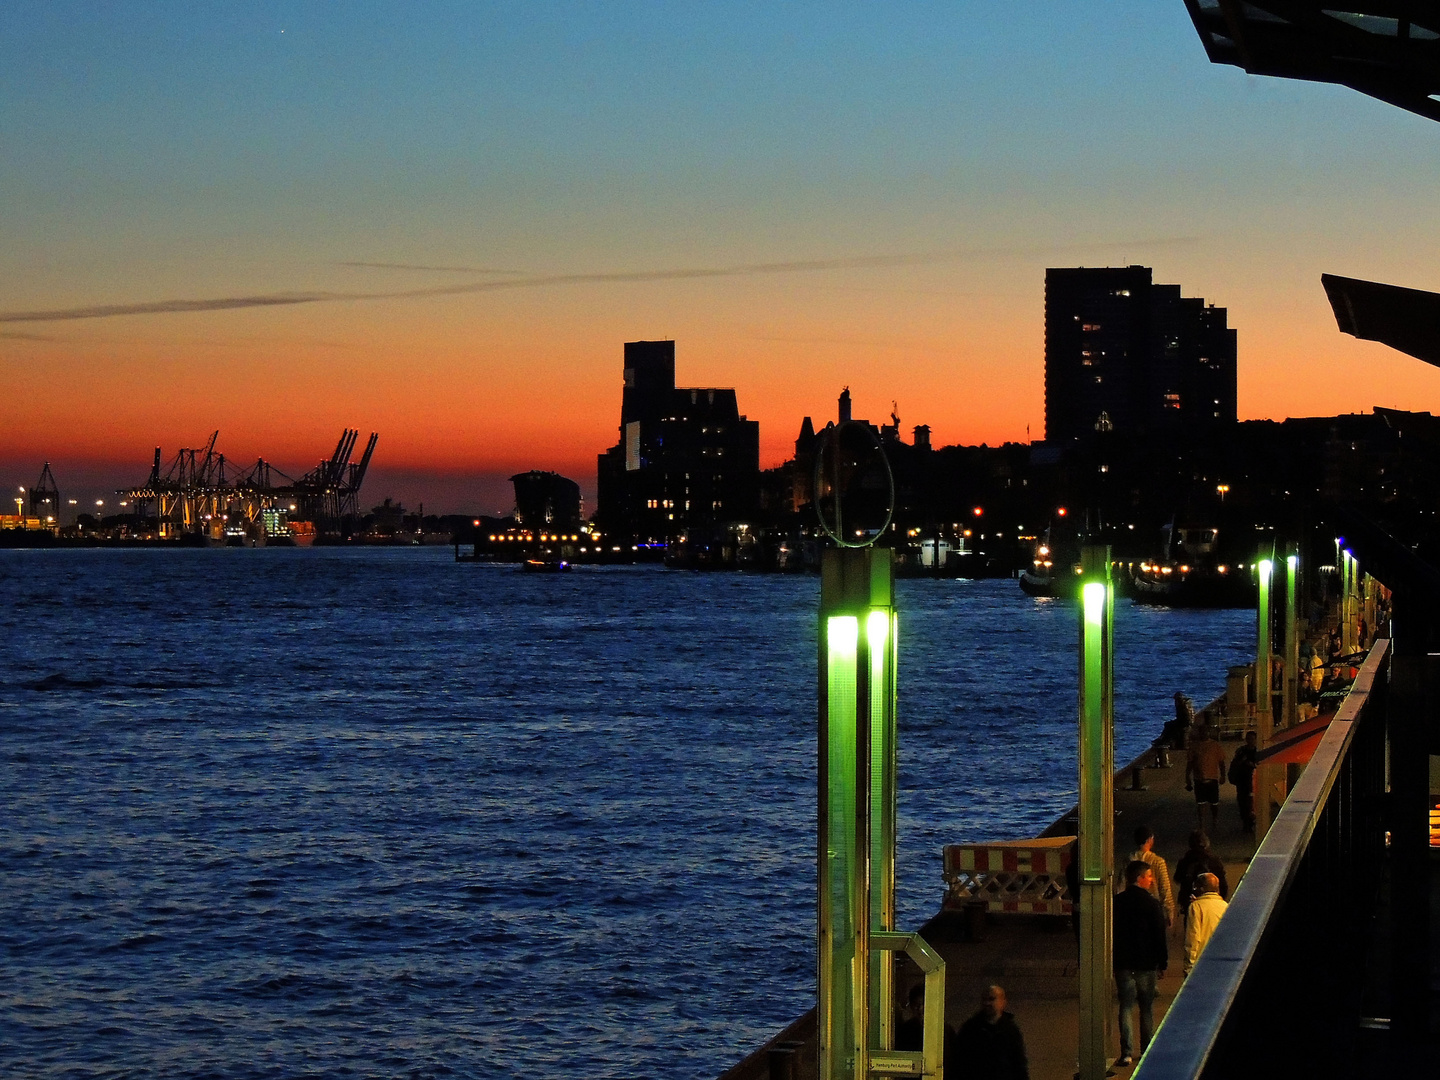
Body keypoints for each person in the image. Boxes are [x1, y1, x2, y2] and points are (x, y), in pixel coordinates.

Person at [1113, 860, 1168, 1067]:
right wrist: (1162, 962)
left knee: (1125, 1006)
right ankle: (1146, 1051)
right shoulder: (1152, 904)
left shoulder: (1118, 902)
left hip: (1123, 963)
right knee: (1146, 1008)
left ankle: (1126, 1053)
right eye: (1149, 876)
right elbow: (1159, 936)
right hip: (1146, 963)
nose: (1151, 879)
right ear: (1140, 878)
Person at [952, 984, 1029, 1080]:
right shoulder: (971, 1029)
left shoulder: (1011, 1030)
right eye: (984, 999)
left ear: (1003, 1002)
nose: (987, 1003)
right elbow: (960, 1061)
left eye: (991, 999)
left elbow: (1019, 1063)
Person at [1127, 825, 1175, 926]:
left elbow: (1121, 885)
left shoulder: (1128, 860)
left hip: (1131, 906)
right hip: (1152, 907)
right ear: (1149, 840)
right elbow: (1164, 888)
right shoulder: (1158, 862)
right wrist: (1169, 910)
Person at [1174, 830, 1228, 915]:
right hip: (1212, 902)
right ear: (1206, 843)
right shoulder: (1214, 860)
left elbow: (1177, 878)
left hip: (1191, 901)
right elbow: (1223, 884)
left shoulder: (1185, 861)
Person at [1183, 873, 1228, 975]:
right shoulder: (1225, 906)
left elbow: (1193, 938)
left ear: (1202, 889)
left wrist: (1189, 967)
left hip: (1202, 963)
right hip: (1221, 962)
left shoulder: (1196, 907)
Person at [1185, 723, 1227, 831]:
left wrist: (1223, 775)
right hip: (1199, 779)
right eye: (1202, 731)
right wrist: (1187, 778)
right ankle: (1202, 823)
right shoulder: (1194, 746)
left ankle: (1214, 819)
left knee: (1214, 804)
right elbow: (1190, 763)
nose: (1204, 733)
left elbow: (1221, 762)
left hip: (1212, 779)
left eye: (1206, 731)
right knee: (1200, 804)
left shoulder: (1215, 745)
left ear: (1209, 732)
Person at [1228, 731, 1259, 833]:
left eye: (1252, 739)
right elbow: (1235, 764)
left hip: (1253, 781)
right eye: (1248, 738)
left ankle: (1250, 822)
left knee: (1251, 803)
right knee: (1243, 803)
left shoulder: (1258, 752)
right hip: (1242, 781)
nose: (1250, 741)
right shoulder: (1241, 751)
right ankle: (1246, 823)